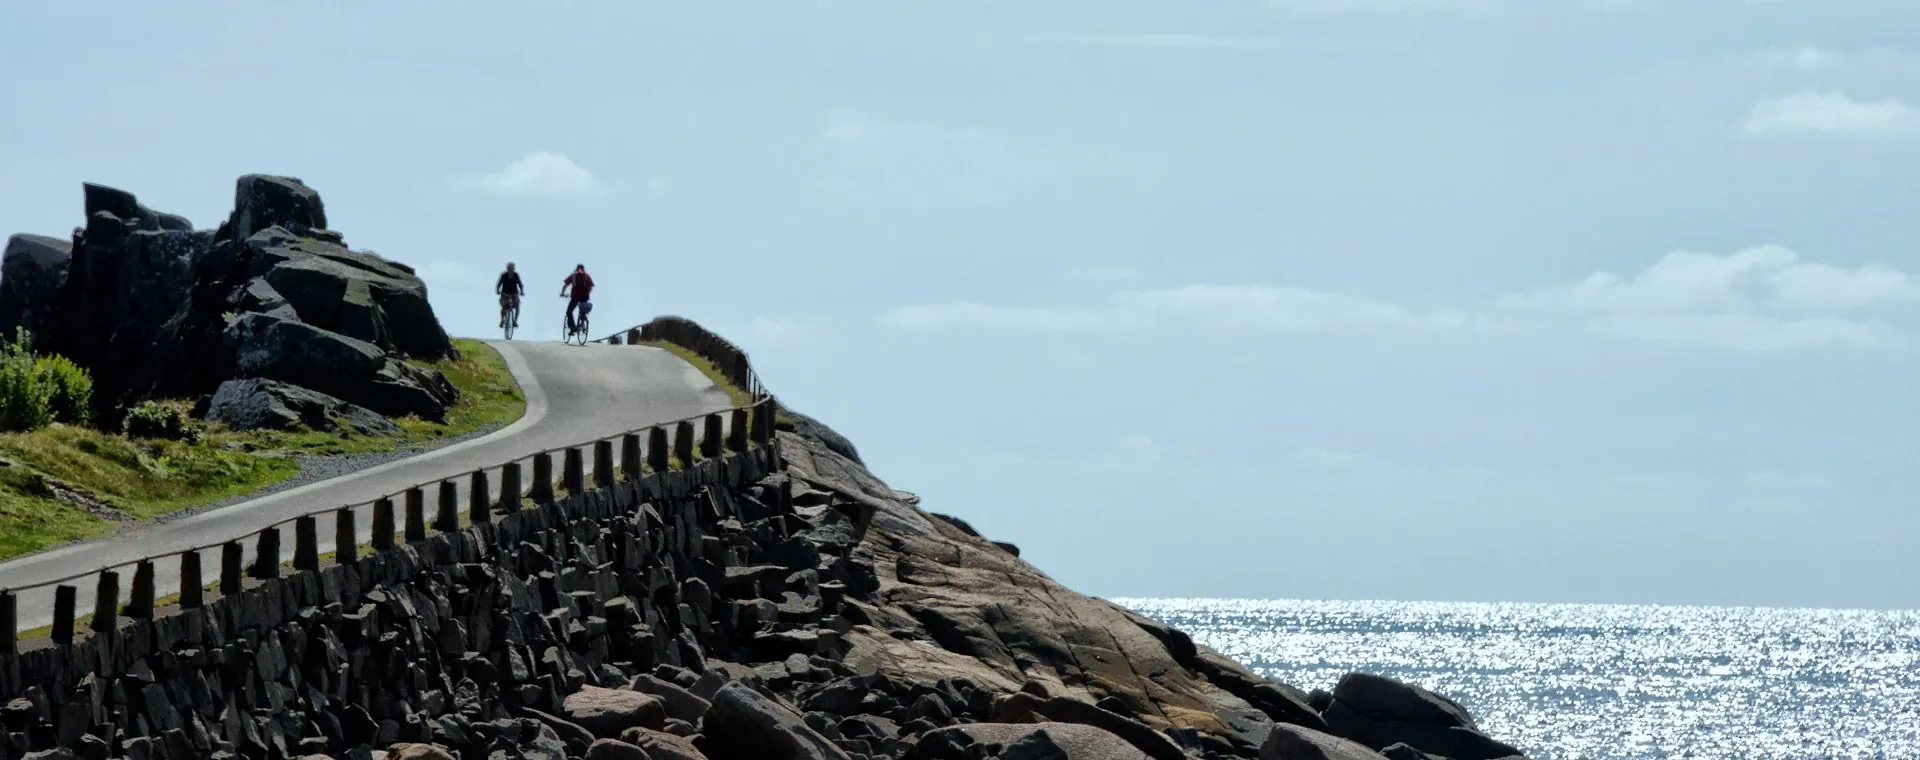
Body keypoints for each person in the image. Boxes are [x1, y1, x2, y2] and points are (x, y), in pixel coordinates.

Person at [561, 263, 594, 333]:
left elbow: (565, 285)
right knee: (582, 311)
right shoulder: (587, 276)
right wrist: (587, 293)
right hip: (585, 297)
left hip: (575, 297)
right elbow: (591, 286)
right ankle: (582, 323)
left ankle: (573, 328)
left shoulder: (573, 275)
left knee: (569, 312)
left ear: (576, 269)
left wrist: (563, 293)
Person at [495, 262, 524, 328]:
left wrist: (522, 292)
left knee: (517, 306)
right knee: (504, 307)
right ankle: (502, 320)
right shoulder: (503, 275)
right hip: (505, 294)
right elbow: (498, 285)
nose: (511, 269)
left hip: (514, 294)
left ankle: (515, 321)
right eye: (509, 268)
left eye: (512, 268)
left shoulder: (516, 275)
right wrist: (498, 291)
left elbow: (520, 284)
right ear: (507, 268)